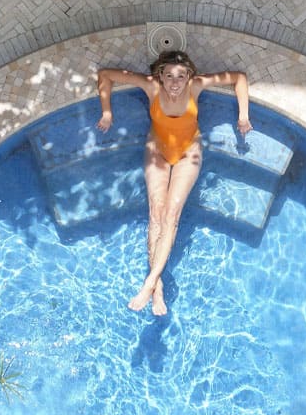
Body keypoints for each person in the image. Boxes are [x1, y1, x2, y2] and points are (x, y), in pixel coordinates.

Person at [97, 50, 252, 316]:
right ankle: (156, 290)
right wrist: (107, 112)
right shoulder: (150, 86)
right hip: (156, 149)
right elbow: (105, 75)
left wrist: (243, 116)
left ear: (189, 76)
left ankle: (149, 282)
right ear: (160, 76)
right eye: (168, 76)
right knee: (156, 213)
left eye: (181, 76)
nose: (175, 82)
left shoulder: (197, 85)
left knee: (172, 214)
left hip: (188, 152)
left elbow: (238, 78)